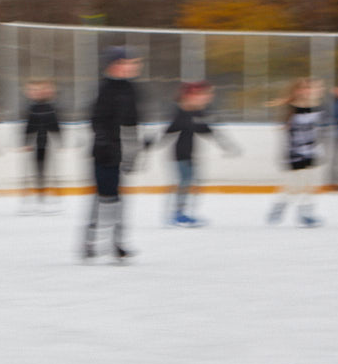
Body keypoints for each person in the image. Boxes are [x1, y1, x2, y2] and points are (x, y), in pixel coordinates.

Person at [83, 46, 144, 262]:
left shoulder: (131, 90)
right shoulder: (105, 89)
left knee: (117, 198)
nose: (134, 66)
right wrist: (104, 143)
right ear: (116, 65)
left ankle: (116, 243)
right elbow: (96, 120)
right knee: (104, 198)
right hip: (103, 152)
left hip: (119, 151)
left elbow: (133, 121)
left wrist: (135, 149)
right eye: (129, 62)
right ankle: (92, 241)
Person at [160, 81, 237, 227]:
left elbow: (206, 130)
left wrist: (225, 144)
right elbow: (169, 131)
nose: (206, 98)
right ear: (189, 96)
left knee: (193, 182)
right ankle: (177, 214)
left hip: (190, 153)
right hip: (178, 154)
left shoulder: (197, 112)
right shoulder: (180, 112)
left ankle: (183, 213)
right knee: (184, 182)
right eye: (201, 95)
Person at [267, 77, 326, 227]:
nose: (312, 92)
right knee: (293, 187)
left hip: (311, 152)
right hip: (295, 154)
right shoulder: (292, 110)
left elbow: (318, 132)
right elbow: (289, 135)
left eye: (314, 88)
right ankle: (278, 207)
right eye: (308, 88)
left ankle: (306, 214)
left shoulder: (319, 109)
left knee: (309, 185)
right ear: (298, 91)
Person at [21, 78, 62, 211]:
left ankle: (44, 192)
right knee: (37, 169)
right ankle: (39, 191)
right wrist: (26, 142)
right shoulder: (32, 108)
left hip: (45, 142)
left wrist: (58, 140)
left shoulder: (50, 108)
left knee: (44, 168)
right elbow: (29, 126)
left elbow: (54, 125)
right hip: (35, 143)